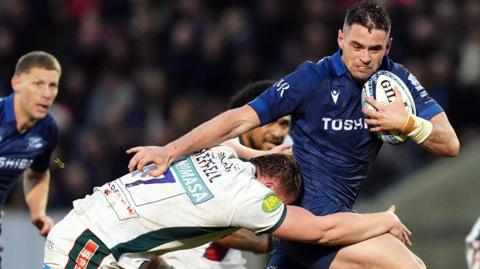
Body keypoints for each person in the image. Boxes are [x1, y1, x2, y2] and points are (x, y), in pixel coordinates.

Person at [127, 1, 460, 268]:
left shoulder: (395, 81)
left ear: (388, 46)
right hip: (309, 224)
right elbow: (241, 119)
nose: (364, 57)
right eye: (356, 45)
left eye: (374, 49)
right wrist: (171, 149)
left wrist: (407, 124)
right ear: (340, 39)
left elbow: (450, 143)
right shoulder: (312, 79)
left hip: (329, 224)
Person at [44, 144, 411, 269]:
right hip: (90, 250)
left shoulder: (219, 155)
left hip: (90, 233)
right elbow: (322, 230)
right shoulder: (251, 196)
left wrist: (270, 153)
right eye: (278, 204)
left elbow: (233, 146)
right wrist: (383, 220)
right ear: (269, 188)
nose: (266, 219)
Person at [158, 80, 291, 269]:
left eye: (284, 124)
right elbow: (219, 225)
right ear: (253, 120)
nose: (278, 132)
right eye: (270, 122)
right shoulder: (219, 153)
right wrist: (281, 244)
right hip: (189, 256)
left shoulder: (282, 151)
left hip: (225, 259)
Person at [0, 51, 60, 266]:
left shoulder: (47, 130)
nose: (46, 93)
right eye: (38, 84)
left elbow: (37, 174)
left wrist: (38, 213)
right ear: (17, 83)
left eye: (52, 85)